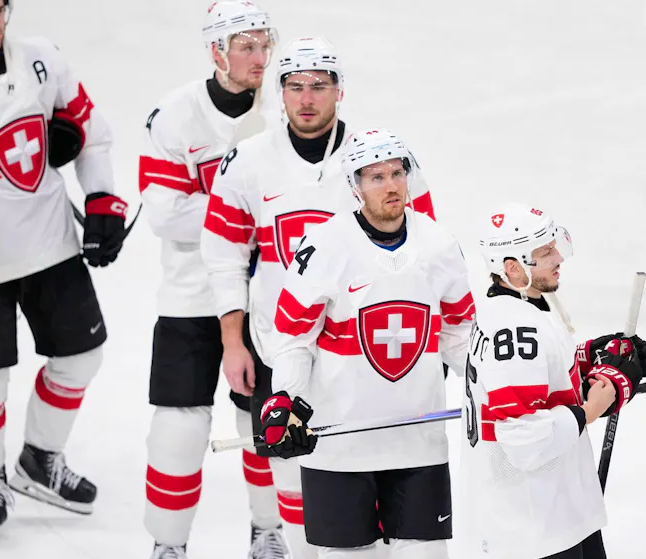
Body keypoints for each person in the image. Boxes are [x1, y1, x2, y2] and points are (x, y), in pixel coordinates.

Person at [201, 38, 435, 559]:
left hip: (364, 350)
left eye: (320, 85)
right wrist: (233, 343)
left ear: (339, 90)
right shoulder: (247, 160)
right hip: (279, 343)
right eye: (295, 86)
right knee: (291, 472)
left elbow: (424, 247)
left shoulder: (378, 158)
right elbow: (223, 255)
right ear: (279, 91)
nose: (307, 98)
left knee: (370, 474)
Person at [0, 0, 129, 536]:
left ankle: (40, 459)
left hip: (51, 245)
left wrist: (102, 201)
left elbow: (89, 131)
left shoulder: (43, 58)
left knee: (81, 357)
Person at [257, 129, 469, 558]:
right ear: (354, 187)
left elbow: (460, 336)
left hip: (418, 442)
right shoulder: (324, 245)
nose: (391, 186)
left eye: (397, 173)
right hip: (339, 447)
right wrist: (284, 398)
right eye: (376, 177)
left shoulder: (439, 244)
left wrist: (501, 385)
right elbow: (294, 338)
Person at [137, 2, 281, 558]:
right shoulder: (174, 115)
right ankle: (168, 543)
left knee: (267, 420)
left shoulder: (284, 108)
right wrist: (249, 208)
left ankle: (269, 531)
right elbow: (164, 215)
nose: (260, 58)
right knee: (178, 428)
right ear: (217, 51)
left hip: (267, 297)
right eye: (246, 46)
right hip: (191, 296)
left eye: (265, 45)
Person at [459, 203, 646, 559]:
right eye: (544, 252)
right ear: (512, 267)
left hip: (554, 516)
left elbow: (539, 378)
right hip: (532, 528)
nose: (558, 257)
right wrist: (592, 409)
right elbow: (523, 438)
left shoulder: (513, 307)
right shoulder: (517, 331)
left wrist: (586, 356)